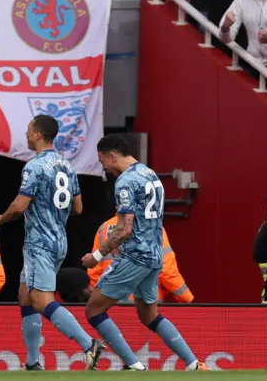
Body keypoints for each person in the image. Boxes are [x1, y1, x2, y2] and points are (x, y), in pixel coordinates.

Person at [81, 134, 209, 371]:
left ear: (112, 155)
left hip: (134, 256)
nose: (105, 169)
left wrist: (96, 256)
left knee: (93, 309)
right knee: (149, 316)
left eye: (103, 162)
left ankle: (133, 365)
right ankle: (193, 364)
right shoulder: (151, 175)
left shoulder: (125, 182)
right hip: (154, 256)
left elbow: (124, 229)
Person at [0, 115, 105, 371]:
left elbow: (20, 207)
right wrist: (54, 212)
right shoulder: (66, 165)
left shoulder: (34, 167)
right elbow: (78, 207)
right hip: (59, 240)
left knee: (41, 300)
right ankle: (32, 363)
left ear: (38, 135)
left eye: (29, 129)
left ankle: (89, 345)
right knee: (24, 296)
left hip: (39, 243)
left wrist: (0, 220)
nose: (26, 133)